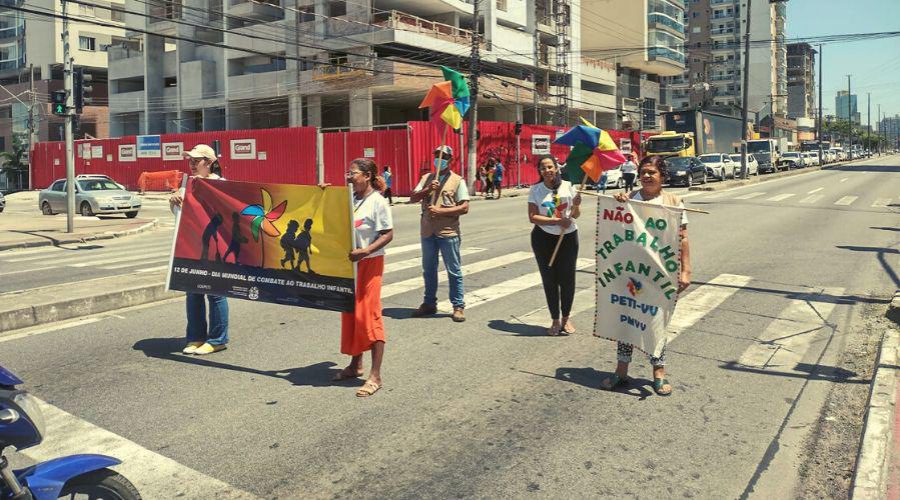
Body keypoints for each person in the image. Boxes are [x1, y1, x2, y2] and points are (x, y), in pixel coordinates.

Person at [600, 155, 692, 396]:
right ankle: (621, 371)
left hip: (660, 274)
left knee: (656, 323)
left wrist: (685, 271)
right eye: (644, 172)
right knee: (626, 321)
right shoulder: (629, 199)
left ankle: (658, 373)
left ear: (662, 176)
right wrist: (618, 203)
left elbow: (682, 238)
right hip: (629, 272)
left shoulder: (673, 202)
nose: (647, 176)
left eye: (652, 172)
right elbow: (615, 227)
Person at [331, 158, 394, 397]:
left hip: (370, 264)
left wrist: (367, 250)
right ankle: (355, 365)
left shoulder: (377, 201)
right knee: (351, 313)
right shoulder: (351, 199)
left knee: (370, 315)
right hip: (351, 266)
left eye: (353, 173)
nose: (349, 176)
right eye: (348, 172)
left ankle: (375, 375)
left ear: (367, 176)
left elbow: (388, 233)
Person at [169, 144, 230, 355]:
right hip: (191, 247)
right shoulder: (188, 183)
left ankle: (217, 339)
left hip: (215, 250)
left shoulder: (222, 185)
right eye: (190, 161)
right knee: (192, 292)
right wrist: (175, 200)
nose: (192, 164)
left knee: (215, 293)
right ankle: (195, 337)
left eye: (197, 160)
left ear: (210, 163)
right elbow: (179, 215)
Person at [409, 145, 470, 322]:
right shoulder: (427, 178)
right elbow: (413, 197)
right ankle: (429, 303)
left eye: (444, 156)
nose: (440, 159)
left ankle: (458, 305)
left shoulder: (458, 180)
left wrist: (441, 211)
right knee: (428, 269)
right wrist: (427, 189)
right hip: (428, 231)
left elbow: (465, 207)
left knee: (453, 270)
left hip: (448, 232)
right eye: (437, 156)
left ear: (450, 160)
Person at [527, 155, 582, 336]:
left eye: (550, 166)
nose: (547, 170)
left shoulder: (569, 186)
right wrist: (556, 220)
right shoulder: (535, 190)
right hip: (543, 238)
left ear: (557, 168)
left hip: (568, 238)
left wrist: (576, 206)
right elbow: (533, 217)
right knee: (549, 279)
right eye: (543, 168)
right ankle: (555, 320)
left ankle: (566, 318)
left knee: (567, 279)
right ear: (540, 171)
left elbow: (575, 214)